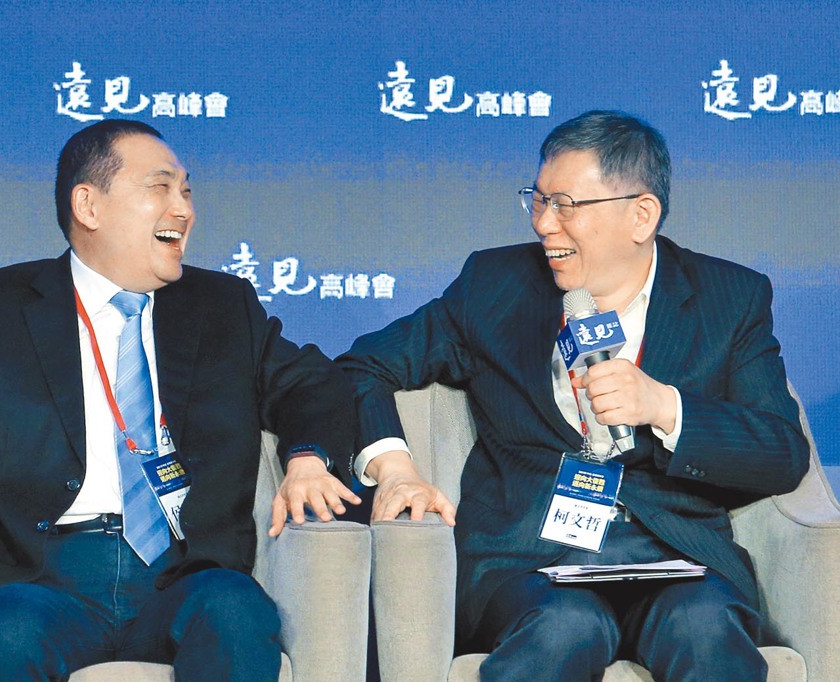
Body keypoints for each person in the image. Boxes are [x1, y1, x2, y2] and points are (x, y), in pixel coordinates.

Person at [0, 119, 360, 681]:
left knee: (236, 611)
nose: (184, 210)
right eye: (160, 187)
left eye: (186, 191)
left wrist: (307, 458)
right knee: (8, 632)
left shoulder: (222, 306)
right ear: (88, 206)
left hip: (188, 573)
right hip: (44, 580)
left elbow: (313, 383)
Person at [336, 110, 810, 681]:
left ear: (641, 215)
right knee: (565, 629)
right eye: (537, 200)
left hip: (677, 557)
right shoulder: (495, 286)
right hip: (531, 562)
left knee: (704, 626)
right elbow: (362, 366)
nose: (544, 224)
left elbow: (782, 452)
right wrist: (395, 469)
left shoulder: (729, 298)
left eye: (565, 205)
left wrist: (664, 407)